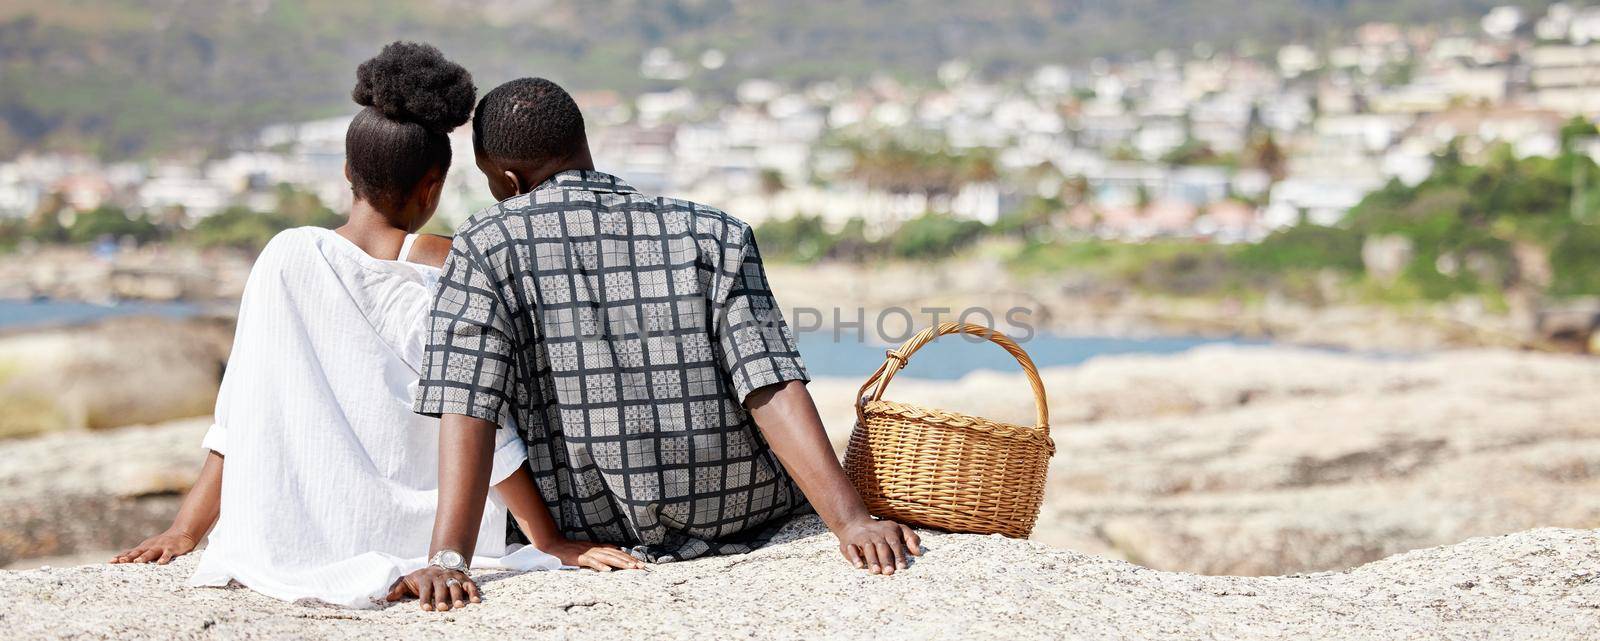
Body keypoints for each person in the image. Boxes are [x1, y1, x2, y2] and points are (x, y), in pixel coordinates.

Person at [391, 77, 921, 612]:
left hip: (593, 525)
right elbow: (769, 379)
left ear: (507, 178)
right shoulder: (715, 231)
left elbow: (468, 403)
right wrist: (850, 521)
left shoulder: (486, 245)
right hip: (742, 508)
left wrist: (450, 558)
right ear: (583, 143)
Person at [110, 43, 599, 610]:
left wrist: (186, 532)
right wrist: (549, 539)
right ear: (432, 188)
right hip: (418, 543)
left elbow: (240, 411)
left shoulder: (285, 256)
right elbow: (482, 420)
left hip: (281, 546)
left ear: (348, 172)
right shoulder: (444, 281)